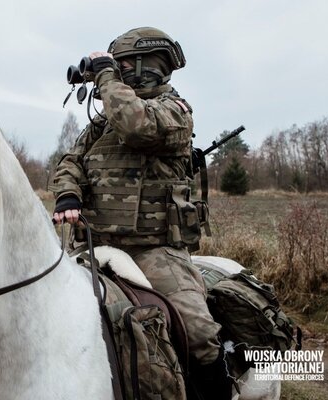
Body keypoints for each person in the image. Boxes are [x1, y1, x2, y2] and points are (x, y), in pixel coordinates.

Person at [51, 27, 230, 400]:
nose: (114, 73)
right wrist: (68, 195)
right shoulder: (101, 124)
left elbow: (138, 127)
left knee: (198, 332)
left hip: (154, 250)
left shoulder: (174, 111)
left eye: (122, 65)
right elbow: (70, 163)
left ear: (151, 64)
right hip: (94, 241)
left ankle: (220, 391)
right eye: (113, 67)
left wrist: (103, 73)